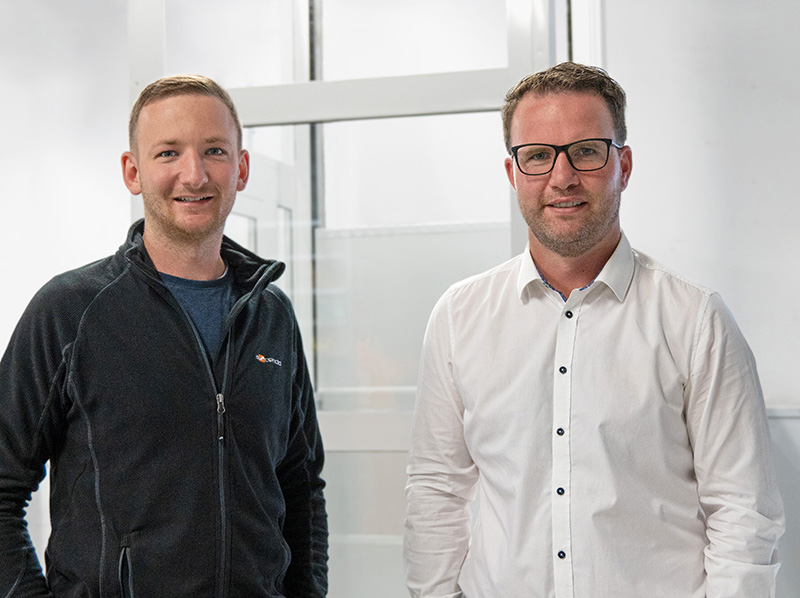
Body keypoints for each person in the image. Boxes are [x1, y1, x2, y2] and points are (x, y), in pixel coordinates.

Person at [403, 62, 784, 598]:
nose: (562, 177)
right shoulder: (458, 317)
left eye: (585, 150)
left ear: (622, 165)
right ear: (513, 173)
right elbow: (436, 491)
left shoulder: (696, 321)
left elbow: (744, 512)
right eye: (537, 155)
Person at [0, 75, 327, 597]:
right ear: (133, 172)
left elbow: (301, 484)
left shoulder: (272, 316)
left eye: (214, 151)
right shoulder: (69, 312)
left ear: (241, 169)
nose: (193, 174)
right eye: (168, 152)